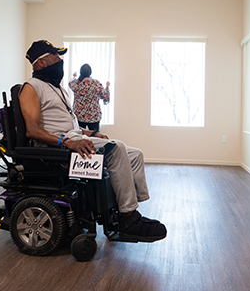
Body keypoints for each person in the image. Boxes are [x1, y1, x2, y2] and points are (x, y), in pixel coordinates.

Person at [18, 40, 166, 243]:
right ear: (41, 62)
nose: (60, 60)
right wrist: (66, 142)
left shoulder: (58, 88)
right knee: (116, 149)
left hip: (74, 138)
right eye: (55, 56)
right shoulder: (31, 87)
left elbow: (72, 125)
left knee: (135, 154)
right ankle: (128, 218)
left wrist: (91, 134)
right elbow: (32, 130)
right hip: (57, 151)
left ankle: (126, 209)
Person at [69, 64, 110, 132]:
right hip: (94, 116)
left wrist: (74, 76)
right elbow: (104, 96)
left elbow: (70, 83)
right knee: (95, 138)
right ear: (90, 72)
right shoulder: (96, 83)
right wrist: (107, 87)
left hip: (79, 115)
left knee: (80, 137)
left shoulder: (76, 84)